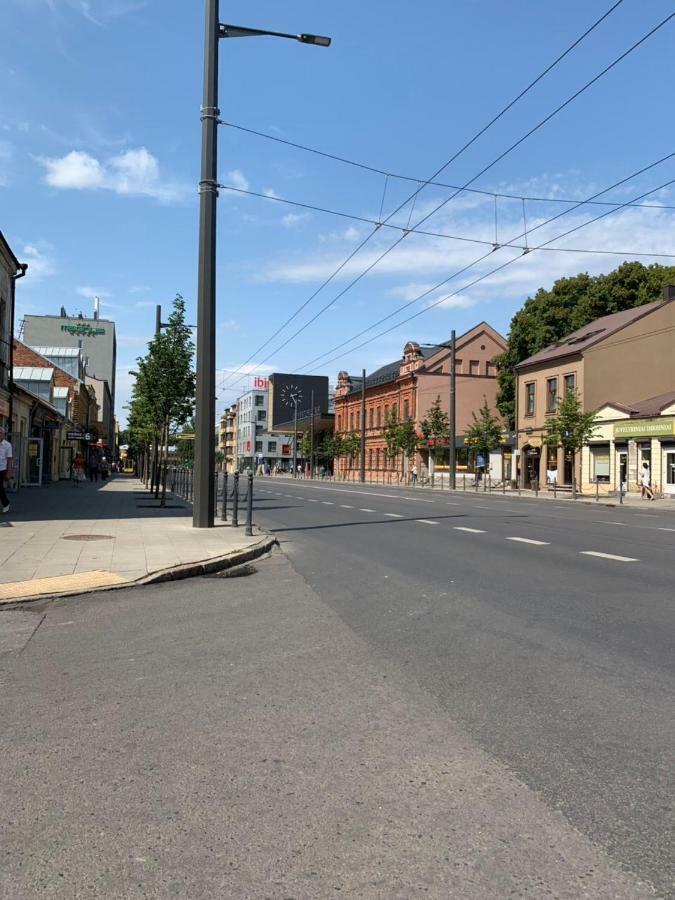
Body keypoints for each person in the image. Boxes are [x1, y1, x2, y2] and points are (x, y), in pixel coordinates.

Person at [0, 426, 13, 513]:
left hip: (2, 469)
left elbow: (9, 459)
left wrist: (9, 472)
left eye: (0, 433)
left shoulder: (7, 445)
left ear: (3, 435)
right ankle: (5, 503)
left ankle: (6, 503)